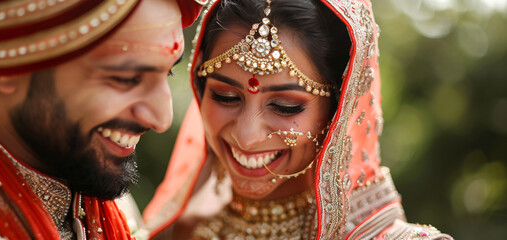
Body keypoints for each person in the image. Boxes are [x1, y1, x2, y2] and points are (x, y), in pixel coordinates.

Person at [143, 0, 453, 239]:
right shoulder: (177, 233)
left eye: (285, 106)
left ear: (339, 110)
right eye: (226, 97)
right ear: (199, 88)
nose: (247, 136)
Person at [0, 0, 203, 239]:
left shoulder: (115, 209)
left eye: (168, 72)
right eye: (126, 78)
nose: (162, 119)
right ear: (7, 66)